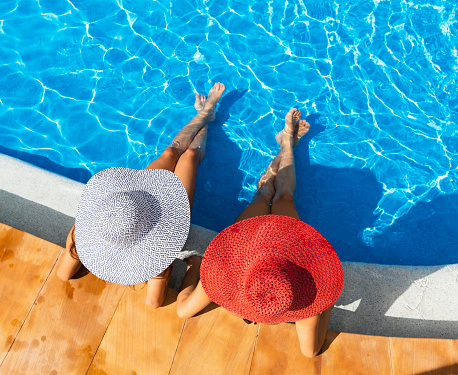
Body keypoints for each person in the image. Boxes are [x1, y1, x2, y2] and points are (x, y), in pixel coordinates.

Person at [175, 108, 344, 358]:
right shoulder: (221, 280)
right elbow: (182, 309)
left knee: (272, 195)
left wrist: (324, 300)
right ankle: (286, 142)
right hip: (257, 244)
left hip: (260, 243)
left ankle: (287, 142)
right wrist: (195, 268)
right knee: (272, 195)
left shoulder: (303, 304)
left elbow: (311, 352)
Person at [56, 82, 226, 309]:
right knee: (189, 157)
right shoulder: (152, 259)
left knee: (170, 151)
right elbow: (154, 303)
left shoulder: (92, 231)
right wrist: (189, 266)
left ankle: (205, 113)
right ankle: (206, 113)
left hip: (137, 202)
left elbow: (62, 274)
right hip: (165, 220)